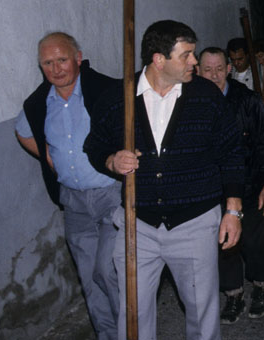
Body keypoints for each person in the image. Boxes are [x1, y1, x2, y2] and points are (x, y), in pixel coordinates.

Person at [84, 20, 245, 340]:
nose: (194, 61)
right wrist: (112, 160)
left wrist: (233, 209)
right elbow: (94, 146)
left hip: (195, 223)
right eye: (186, 55)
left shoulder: (206, 96)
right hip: (137, 225)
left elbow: (232, 152)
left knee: (201, 312)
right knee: (133, 315)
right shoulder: (118, 97)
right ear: (159, 59)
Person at [15, 32, 120, 340]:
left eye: (62, 60)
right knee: (89, 278)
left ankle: (132, 332)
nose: (56, 69)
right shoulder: (38, 103)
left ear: (78, 58)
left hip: (111, 194)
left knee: (109, 270)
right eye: (47, 63)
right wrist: (49, 156)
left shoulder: (105, 91)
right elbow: (22, 132)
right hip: (73, 202)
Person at [197, 47, 264, 325]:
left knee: (254, 242)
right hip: (213, 190)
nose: (214, 75)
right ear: (197, 71)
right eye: (207, 70)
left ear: (229, 69)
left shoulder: (248, 100)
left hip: (251, 184)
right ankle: (233, 293)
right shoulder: (190, 102)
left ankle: (262, 284)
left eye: (219, 69)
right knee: (223, 243)